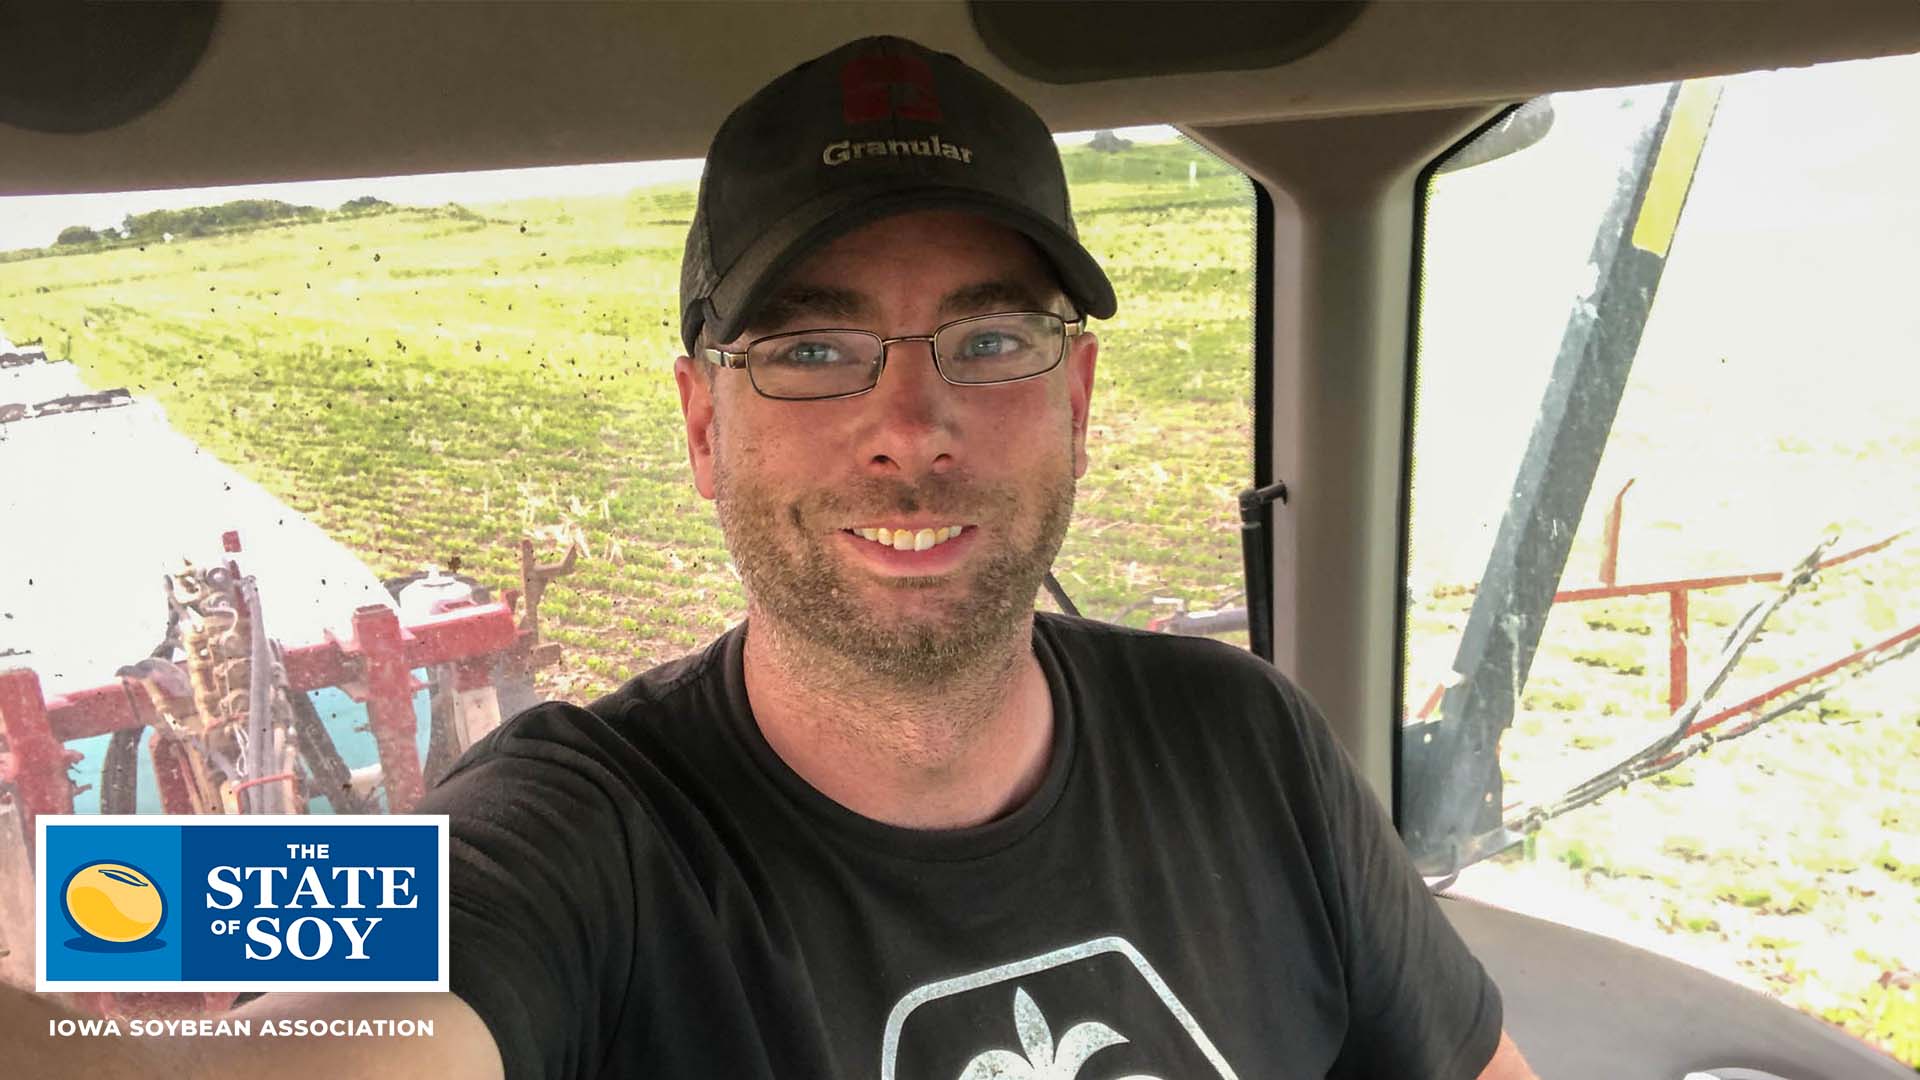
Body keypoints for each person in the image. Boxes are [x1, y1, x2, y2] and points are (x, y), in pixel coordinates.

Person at [2, 34, 1535, 1080]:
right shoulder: (582, 840)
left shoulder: (1244, 742)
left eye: (990, 337)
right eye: (811, 347)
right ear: (701, 424)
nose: (907, 424)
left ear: (1074, 397)